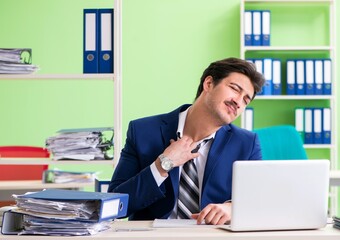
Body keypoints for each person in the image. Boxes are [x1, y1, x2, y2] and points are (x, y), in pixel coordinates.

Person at [108, 57, 265, 225]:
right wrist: (162, 165)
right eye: (234, 89)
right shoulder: (142, 131)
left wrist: (232, 208)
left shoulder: (247, 144)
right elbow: (114, 206)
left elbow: (259, 201)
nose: (238, 102)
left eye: (245, 100)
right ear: (209, 84)